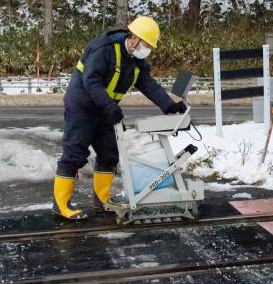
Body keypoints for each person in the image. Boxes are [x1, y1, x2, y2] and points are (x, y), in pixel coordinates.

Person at [52, 16, 187, 220]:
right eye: (146, 44)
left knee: (109, 153)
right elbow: (91, 82)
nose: (147, 49)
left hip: (107, 109)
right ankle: (61, 205)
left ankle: (102, 200)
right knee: (75, 153)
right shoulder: (103, 49)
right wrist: (108, 105)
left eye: (150, 46)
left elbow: (148, 84)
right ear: (134, 37)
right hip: (83, 105)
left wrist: (169, 105)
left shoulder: (136, 60)